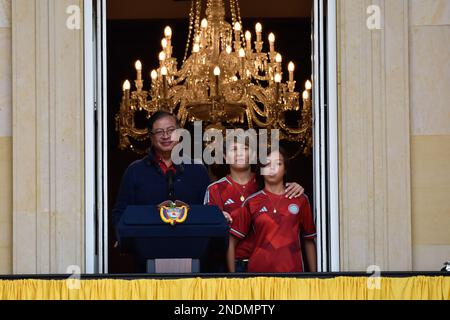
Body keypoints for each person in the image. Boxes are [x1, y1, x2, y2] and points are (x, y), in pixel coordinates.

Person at [112, 111, 211, 271]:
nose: (166, 136)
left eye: (171, 130)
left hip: (191, 254)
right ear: (151, 136)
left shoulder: (197, 171)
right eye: (159, 132)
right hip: (145, 256)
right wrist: (123, 238)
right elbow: (120, 212)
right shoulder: (135, 171)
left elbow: (208, 212)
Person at [204, 137, 305, 272]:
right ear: (225, 157)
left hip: (265, 263)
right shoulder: (215, 189)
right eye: (234, 149)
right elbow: (208, 231)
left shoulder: (266, 181)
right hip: (227, 263)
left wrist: (295, 187)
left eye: (245, 149)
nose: (239, 154)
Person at [228, 147, 317, 273]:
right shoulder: (252, 202)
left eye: (278, 163)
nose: (272, 168)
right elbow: (231, 242)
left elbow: (309, 240)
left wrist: (315, 277)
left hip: (293, 275)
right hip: (258, 277)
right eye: (267, 164)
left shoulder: (300, 199)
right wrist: (233, 278)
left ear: (285, 169)